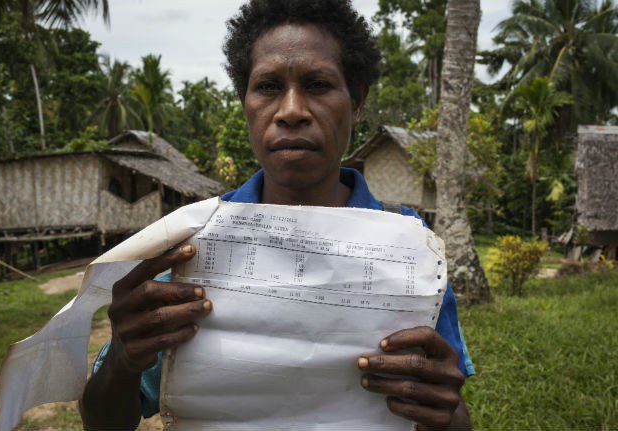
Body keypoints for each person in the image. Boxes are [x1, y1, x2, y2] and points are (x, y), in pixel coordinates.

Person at [79, 0, 475, 429]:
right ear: (244, 103)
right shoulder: (188, 247)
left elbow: (451, 411)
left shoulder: (413, 254)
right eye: (267, 86)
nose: (290, 111)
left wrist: (444, 407)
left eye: (318, 84)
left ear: (356, 102)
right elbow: (102, 421)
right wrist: (122, 358)